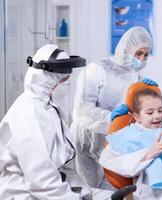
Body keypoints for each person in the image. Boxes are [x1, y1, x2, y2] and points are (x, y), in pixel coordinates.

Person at [0, 44, 115, 199]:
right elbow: (43, 184)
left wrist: (87, 193)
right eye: (64, 79)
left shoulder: (49, 108)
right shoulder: (28, 115)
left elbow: (64, 168)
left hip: (52, 191)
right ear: (45, 81)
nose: (68, 84)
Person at [71, 26, 157, 189]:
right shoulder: (98, 69)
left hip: (112, 143)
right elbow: (81, 110)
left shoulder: (135, 76)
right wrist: (111, 118)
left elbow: (134, 112)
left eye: (146, 55)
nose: (142, 59)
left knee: (108, 190)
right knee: (86, 190)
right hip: (87, 141)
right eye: (138, 53)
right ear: (126, 49)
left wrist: (149, 95)